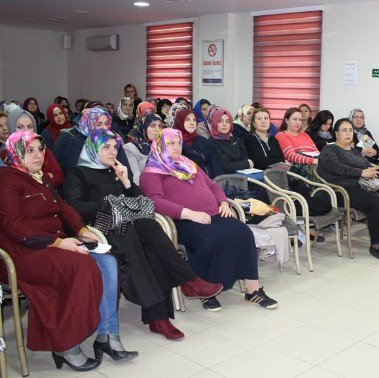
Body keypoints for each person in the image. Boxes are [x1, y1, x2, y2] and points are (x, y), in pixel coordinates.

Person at [62, 129, 223, 339]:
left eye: (114, 147)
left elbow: (144, 202)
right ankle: (185, 285)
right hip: (101, 229)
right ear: (92, 149)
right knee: (144, 232)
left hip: (130, 225)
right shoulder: (78, 174)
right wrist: (107, 205)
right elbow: (73, 207)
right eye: (106, 147)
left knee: (149, 234)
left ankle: (161, 317)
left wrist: (127, 182)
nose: (112, 152)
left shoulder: (115, 172)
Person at [0, 131, 137, 371]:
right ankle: (66, 343)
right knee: (83, 265)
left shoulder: (40, 178)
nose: (37, 155)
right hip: (21, 253)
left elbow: (64, 209)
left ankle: (107, 335)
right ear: (14, 153)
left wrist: (82, 229)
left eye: (40, 149)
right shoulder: (7, 179)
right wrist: (59, 243)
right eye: (29, 150)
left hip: (53, 245)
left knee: (107, 261)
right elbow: (14, 226)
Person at [140, 128, 278, 310]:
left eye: (178, 143)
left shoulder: (188, 164)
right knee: (211, 238)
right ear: (159, 145)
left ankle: (253, 291)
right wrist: (189, 213)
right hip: (182, 221)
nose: (176, 148)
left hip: (214, 214)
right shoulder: (152, 171)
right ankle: (208, 291)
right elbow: (154, 202)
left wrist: (223, 203)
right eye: (170, 143)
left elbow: (213, 186)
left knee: (243, 232)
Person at [317, 118, 379, 261]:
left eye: (350, 130)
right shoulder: (330, 149)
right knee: (377, 202)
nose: (348, 133)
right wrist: (361, 173)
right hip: (343, 189)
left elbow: (365, 163)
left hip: (363, 185)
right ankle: (376, 245)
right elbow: (336, 168)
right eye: (344, 130)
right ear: (336, 133)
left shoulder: (354, 150)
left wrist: (370, 170)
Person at [54, 107, 133, 178]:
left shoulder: (113, 140)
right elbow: (72, 173)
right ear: (89, 124)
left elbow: (127, 171)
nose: (104, 128)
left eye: (106, 124)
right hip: (88, 188)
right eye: (99, 124)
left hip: (113, 184)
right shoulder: (77, 142)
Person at [4, 108, 64, 187]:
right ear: (11, 128)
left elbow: (59, 176)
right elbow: (17, 185)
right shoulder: (5, 154)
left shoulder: (41, 148)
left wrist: (39, 179)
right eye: (20, 127)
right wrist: (47, 176)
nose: (26, 130)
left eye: (30, 126)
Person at [206, 106, 255, 178]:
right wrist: (245, 164)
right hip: (224, 181)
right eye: (220, 121)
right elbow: (226, 166)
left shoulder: (236, 140)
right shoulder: (211, 143)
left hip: (242, 177)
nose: (224, 124)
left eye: (227, 121)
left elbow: (245, 159)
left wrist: (242, 164)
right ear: (215, 123)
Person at [124, 114, 163, 185]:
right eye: (152, 126)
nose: (157, 130)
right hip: (144, 189)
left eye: (160, 126)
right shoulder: (130, 148)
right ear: (143, 127)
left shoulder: (162, 146)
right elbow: (136, 179)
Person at [174, 108, 214, 176]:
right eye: (187, 119)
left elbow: (213, 163)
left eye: (194, 120)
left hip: (209, 180)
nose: (192, 123)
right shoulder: (175, 142)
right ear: (180, 121)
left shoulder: (202, 140)